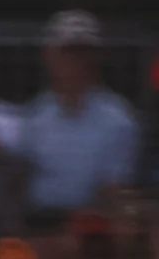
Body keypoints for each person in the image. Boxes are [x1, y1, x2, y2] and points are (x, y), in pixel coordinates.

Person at [12, 12, 134, 219]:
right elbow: (19, 180)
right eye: (67, 52)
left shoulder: (118, 120)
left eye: (83, 52)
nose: (75, 61)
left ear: (97, 57)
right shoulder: (34, 115)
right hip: (37, 222)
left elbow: (113, 190)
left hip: (92, 226)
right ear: (49, 56)